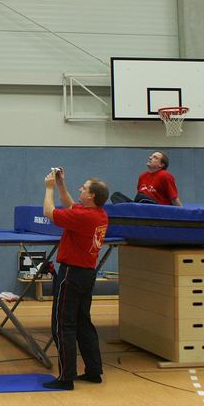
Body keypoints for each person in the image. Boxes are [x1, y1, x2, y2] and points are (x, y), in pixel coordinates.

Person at [41, 167, 109, 391]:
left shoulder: (83, 216)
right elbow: (70, 205)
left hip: (71, 274)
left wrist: (49, 188)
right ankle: (93, 370)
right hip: (87, 274)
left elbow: (49, 212)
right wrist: (61, 184)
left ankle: (65, 377)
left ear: (91, 196)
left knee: (63, 325)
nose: (80, 189)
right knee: (82, 323)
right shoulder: (98, 213)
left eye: (84, 188)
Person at [111, 151, 182, 206]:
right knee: (116, 196)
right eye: (151, 156)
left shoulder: (165, 175)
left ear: (161, 165)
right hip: (142, 205)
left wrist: (182, 212)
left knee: (141, 197)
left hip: (158, 208)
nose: (150, 158)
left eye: (155, 157)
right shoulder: (142, 176)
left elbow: (174, 198)